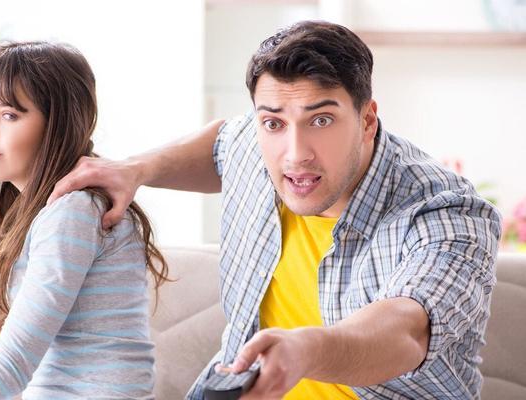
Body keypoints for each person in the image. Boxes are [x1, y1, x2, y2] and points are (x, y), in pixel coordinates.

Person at [49, 21, 502, 399]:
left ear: (367, 120)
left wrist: (305, 351)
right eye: (274, 123)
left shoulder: (447, 212)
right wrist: (136, 168)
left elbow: (406, 332)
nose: (295, 153)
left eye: (321, 120)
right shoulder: (257, 143)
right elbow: (222, 143)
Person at [0, 40, 168, 400]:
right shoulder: (58, 211)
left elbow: (10, 369)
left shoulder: (73, 212)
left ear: (58, 126)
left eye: (9, 115)